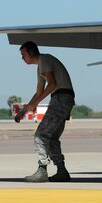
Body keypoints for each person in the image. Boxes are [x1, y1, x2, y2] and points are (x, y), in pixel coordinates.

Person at [14, 41, 75, 182]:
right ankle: (62, 171)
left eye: (23, 54)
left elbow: (52, 83)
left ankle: (42, 170)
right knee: (52, 138)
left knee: (40, 136)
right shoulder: (40, 67)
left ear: (31, 53)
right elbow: (39, 92)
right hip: (63, 99)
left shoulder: (45, 60)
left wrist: (36, 103)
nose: (22, 58)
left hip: (61, 98)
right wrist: (23, 111)